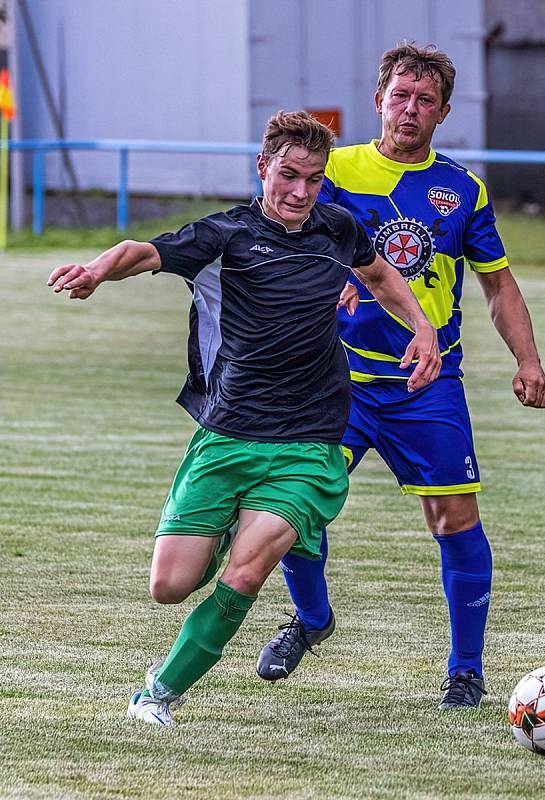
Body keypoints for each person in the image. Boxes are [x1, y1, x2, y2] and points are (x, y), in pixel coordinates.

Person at [47, 110, 439, 726]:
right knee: (170, 586)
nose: (301, 192)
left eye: (313, 179)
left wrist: (422, 327)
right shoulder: (225, 235)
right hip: (228, 434)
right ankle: (229, 527)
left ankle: (158, 696)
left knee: (249, 573)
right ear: (264, 168)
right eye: (289, 175)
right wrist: (97, 269)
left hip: (310, 443)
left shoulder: (338, 228)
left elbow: (379, 273)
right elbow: (140, 251)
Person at [257, 44, 545, 709]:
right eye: (399, 96)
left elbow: (498, 287)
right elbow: (291, 235)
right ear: (378, 100)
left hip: (428, 383)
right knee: (294, 507)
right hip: (334, 379)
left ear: (443, 111)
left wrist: (528, 361)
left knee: (454, 518)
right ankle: (310, 619)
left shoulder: (463, 189)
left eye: (424, 100)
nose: (410, 109)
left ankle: (466, 672)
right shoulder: (335, 170)